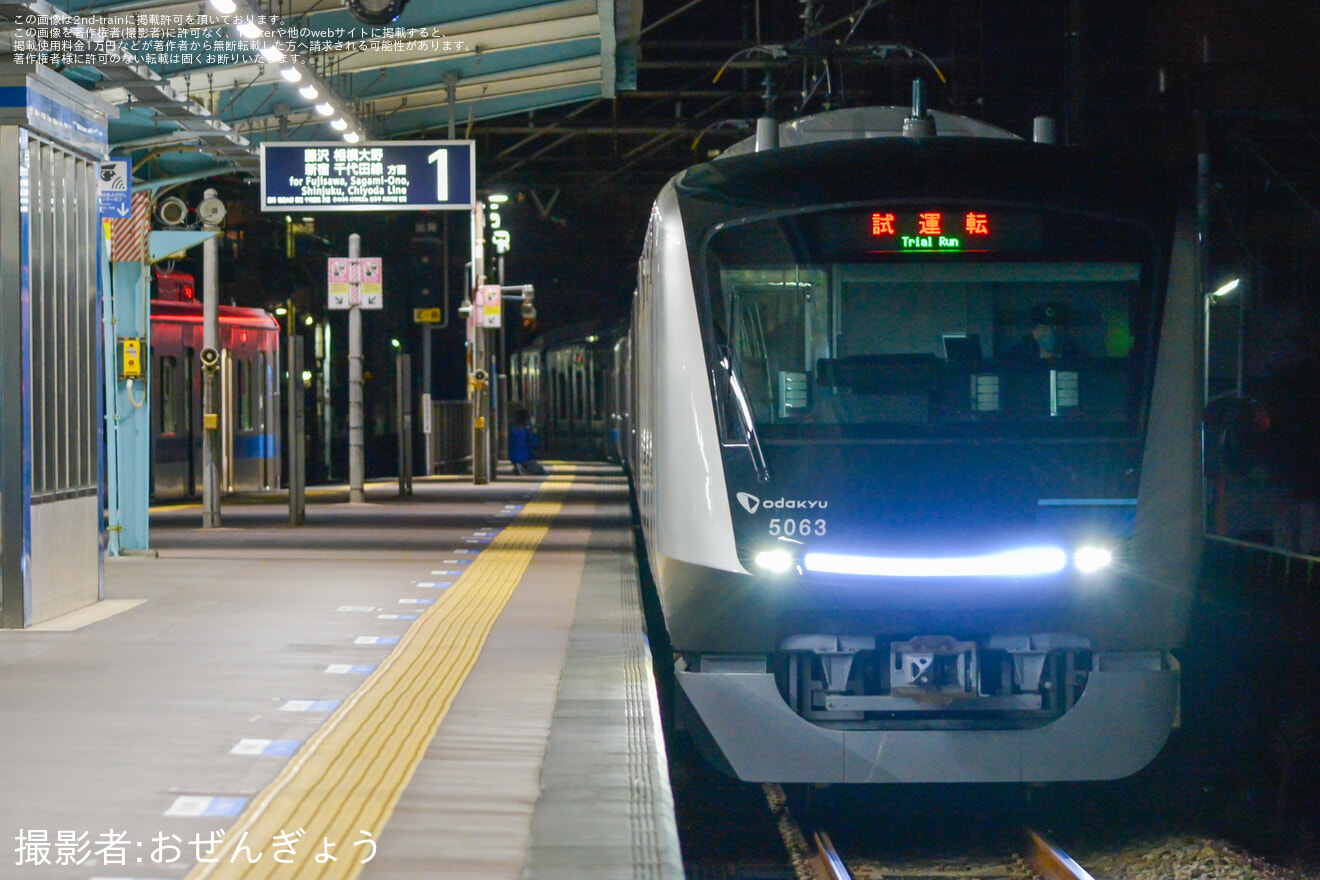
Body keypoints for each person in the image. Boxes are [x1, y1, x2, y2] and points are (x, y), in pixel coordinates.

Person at [1011, 301, 1078, 360]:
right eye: (1044, 328)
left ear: (1065, 332)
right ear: (1035, 333)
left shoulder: (1078, 361)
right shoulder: (1020, 362)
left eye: (1056, 328)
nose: (1050, 333)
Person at [508, 406, 546, 475]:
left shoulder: (512, 431)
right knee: (541, 471)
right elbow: (535, 444)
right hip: (526, 458)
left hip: (513, 457)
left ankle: (518, 466)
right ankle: (524, 467)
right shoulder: (528, 431)